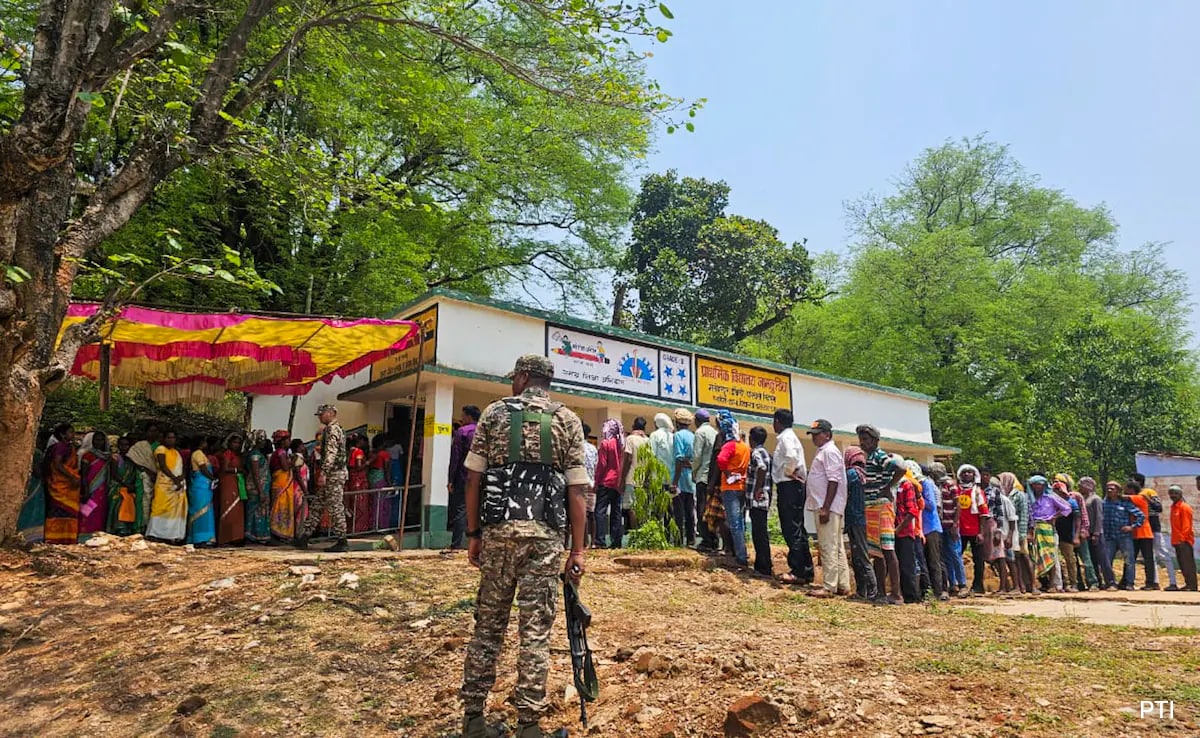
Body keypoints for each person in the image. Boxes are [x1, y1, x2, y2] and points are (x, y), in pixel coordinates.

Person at [459, 355, 588, 738]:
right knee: (534, 632)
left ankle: (473, 719)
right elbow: (577, 491)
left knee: (488, 627)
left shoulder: (493, 413)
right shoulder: (567, 420)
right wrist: (578, 551)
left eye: (514, 377)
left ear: (523, 377)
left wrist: (473, 533)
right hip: (544, 540)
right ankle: (529, 725)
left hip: (498, 535)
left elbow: (473, 480)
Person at [857, 424, 902, 605]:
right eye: (861, 440)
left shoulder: (879, 456)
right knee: (876, 551)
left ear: (875, 440)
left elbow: (900, 469)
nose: (862, 443)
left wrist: (887, 487)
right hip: (871, 507)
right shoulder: (869, 457)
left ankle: (896, 593)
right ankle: (881, 592)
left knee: (887, 549)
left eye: (866, 439)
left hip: (881, 506)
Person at [805, 420, 848, 597]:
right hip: (828, 505)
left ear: (827, 435)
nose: (814, 438)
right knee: (836, 545)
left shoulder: (829, 452)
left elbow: (833, 480)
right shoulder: (824, 451)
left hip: (827, 506)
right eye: (813, 434)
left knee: (828, 545)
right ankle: (842, 584)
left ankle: (829, 586)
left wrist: (826, 507)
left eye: (817, 434)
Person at [301, 404, 349, 552]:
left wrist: (323, 473)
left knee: (335, 507)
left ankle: (342, 540)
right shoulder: (335, 429)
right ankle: (304, 537)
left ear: (331, 413)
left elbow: (331, 453)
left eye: (322, 414)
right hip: (333, 473)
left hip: (333, 474)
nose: (320, 417)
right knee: (318, 505)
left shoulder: (332, 429)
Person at [772, 408, 812, 584]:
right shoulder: (791, 436)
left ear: (777, 422)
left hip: (789, 485)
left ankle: (798, 570)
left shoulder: (786, 438)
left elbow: (791, 457)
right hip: (794, 486)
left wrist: (789, 472)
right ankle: (806, 569)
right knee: (798, 527)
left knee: (791, 528)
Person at [715, 409, 750, 568]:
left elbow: (721, 459)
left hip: (730, 487)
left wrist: (727, 472)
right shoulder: (744, 446)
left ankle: (740, 557)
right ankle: (742, 552)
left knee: (734, 522)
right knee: (740, 521)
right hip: (742, 486)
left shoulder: (729, 445)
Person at [843, 446, 878, 601]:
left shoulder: (851, 474)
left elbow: (843, 493)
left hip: (855, 518)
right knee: (861, 554)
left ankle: (870, 591)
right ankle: (864, 591)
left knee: (860, 556)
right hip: (866, 519)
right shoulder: (866, 474)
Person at [1028, 475, 1071, 591]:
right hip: (1034, 528)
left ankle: (1053, 584)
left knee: (1050, 556)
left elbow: (1067, 508)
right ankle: (1040, 583)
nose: (1037, 487)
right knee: (1035, 556)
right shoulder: (1029, 498)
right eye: (1034, 485)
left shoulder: (1050, 497)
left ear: (1044, 486)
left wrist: (1055, 517)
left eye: (1039, 484)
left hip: (1047, 528)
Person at [1134, 473, 1177, 591]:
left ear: (1138, 481)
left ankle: (1173, 582)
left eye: (1132, 480)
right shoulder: (1133, 495)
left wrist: (1147, 499)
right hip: (1142, 530)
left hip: (1153, 527)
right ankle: (1154, 582)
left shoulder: (1149, 492)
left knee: (1163, 554)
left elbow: (1159, 508)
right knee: (1149, 557)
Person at [145, 430, 187, 544]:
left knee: (174, 510)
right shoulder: (161, 449)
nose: (171, 440)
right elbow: (163, 466)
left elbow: (182, 467)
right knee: (160, 508)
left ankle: (171, 535)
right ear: (163, 439)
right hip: (164, 483)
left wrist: (180, 478)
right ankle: (155, 534)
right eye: (169, 437)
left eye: (173, 438)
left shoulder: (176, 452)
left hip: (177, 484)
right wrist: (175, 479)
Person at [447, 408, 480, 550]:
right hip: (482, 475)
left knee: (460, 509)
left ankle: (456, 544)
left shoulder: (462, 432)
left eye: (463, 415)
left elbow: (456, 457)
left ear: (469, 417)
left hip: (464, 475)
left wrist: (451, 479)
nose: (461, 418)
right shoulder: (485, 430)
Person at [954, 465, 989, 595]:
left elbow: (983, 513)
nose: (967, 474)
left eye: (970, 472)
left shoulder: (978, 492)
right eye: (964, 472)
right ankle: (956, 584)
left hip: (975, 531)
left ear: (974, 475)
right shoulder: (956, 490)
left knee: (978, 560)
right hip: (959, 531)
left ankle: (978, 586)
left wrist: (981, 532)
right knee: (955, 557)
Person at [1103, 481, 1144, 590]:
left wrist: (1132, 527)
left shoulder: (1125, 503)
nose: (1109, 490)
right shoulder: (1104, 503)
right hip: (1109, 536)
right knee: (1107, 560)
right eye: (1108, 488)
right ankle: (1111, 583)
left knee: (1129, 560)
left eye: (1112, 488)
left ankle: (1129, 583)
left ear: (1118, 491)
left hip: (1124, 536)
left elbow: (1141, 516)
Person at [893, 456, 923, 603]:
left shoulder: (906, 484)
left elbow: (912, 511)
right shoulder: (890, 485)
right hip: (891, 530)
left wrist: (898, 529)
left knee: (907, 565)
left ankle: (911, 597)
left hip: (904, 531)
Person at [915, 463, 947, 600]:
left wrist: (918, 497)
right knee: (926, 560)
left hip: (931, 527)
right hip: (923, 528)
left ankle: (940, 590)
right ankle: (929, 591)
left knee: (935, 560)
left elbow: (931, 505)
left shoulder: (926, 484)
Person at [44, 424, 81, 545]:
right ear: (62, 434)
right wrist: (71, 477)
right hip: (60, 484)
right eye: (70, 432)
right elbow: (57, 464)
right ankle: (54, 538)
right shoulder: (60, 447)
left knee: (69, 512)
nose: (73, 434)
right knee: (58, 510)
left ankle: (67, 537)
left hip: (69, 486)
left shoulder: (70, 447)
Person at [746, 426, 774, 578]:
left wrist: (757, 489)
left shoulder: (756, 452)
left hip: (758, 499)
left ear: (752, 439)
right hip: (763, 498)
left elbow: (761, 468)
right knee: (761, 533)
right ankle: (763, 564)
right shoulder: (766, 453)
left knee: (759, 533)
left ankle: (763, 567)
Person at [593, 418, 625, 549]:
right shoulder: (621, 444)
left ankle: (600, 540)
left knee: (600, 511)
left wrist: (596, 481)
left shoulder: (605, 443)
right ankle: (616, 541)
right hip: (617, 482)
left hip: (606, 481)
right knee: (616, 512)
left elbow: (602, 464)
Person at [1000, 472, 1032, 595]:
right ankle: (1020, 585)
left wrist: (1022, 534)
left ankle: (1031, 585)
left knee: (1024, 557)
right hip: (1008, 531)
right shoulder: (1003, 494)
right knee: (1015, 559)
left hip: (1018, 531)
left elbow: (1024, 515)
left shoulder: (1020, 495)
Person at [692, 410, 719, 551]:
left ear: (697, 420)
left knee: (701, 508)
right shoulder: (715, 433)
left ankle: (706, 540)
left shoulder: (700, 433)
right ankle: (714, 538)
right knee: (712, 510)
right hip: (713, 476)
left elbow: (697, 456)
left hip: (703, 475)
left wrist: (694, 472)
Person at [270, 431, 305, 543]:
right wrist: (293, 461)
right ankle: (277, 532)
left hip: (284, 481)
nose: (289, 442)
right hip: (281, 482)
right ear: (282, 442)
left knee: (284, 506)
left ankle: (283, 533)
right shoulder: (280, 452)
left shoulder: (283, 453)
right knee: (280, 507)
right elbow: (285, 467)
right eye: (287, 440)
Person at [1080, 477, 1114, 589]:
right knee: (1092, 559)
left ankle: (1110, 582)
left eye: (1081, 485)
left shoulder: (1095, 499)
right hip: (1087, 533)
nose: (1080, 487)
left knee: (1103, 559)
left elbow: (1099, 517)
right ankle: (1097, 581)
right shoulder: (1083, 499)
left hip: (1096, 533)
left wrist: (1096, 533)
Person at [938, 469, 966, 596]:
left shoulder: (950, 485)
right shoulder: (938, 485)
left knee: (955, 554)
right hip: (941, 526)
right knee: (946, 556)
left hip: (951, 525)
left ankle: (962, 584)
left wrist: (955, 524)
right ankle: (952, 583)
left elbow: (958, 505)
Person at [78, 432, 111, 542]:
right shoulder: (88, 455)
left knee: (100, 512)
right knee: (87, 511)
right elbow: (83, 474)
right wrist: (86, 490)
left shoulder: (107, 456)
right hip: (91, 488)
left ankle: (98, 534)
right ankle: (84, 535)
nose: (98, 442)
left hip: (103, 489)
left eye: (101, 440)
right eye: (96, 440)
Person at [107, 436, 143, 537]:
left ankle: (126, 529)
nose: (124, 447)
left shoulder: (132, 459)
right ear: (118, 446)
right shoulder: (115, 458)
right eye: (122, 445)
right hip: (117, 486)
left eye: (126, 445)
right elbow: (114, 474)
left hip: (129, 487)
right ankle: (116, 528)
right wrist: (126, 485)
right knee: (117, 505)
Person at [126, 424, 161, 527]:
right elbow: (133, 458)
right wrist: (146, 470)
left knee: (154, 501)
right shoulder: (139, 446)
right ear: (146, 432)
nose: (153, 433)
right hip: (142, 476)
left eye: (155, 431)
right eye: (151, 431)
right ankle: (140, 525)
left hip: (158, 477)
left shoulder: (160, 446)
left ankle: (151, 526)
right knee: (141, 500)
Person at [1125, 480, 1158, 590]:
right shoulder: (1134, 499)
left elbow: (1123, 497)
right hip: (1135, 534)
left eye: (1127, 489)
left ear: (1132, 489)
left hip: (1144, 533)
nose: (1125, 491)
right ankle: (1126, 581)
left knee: (1147, 559)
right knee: (1131, 558)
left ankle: (1150, 582)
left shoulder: (1139, 498)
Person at [671, 409, 696, 547]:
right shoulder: (693, 436)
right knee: (689, 510)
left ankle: (678, 540)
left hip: (680, 478)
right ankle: (691, 539)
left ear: (677, 422)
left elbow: (679, 459)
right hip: (691, 478)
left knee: (678, 511)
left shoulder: (678, 436)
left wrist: (674, 482)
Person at [215, 433, 246, 546]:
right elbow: (225, 468)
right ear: (229, 443)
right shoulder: (227, 453)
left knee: (237, 509)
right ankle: (226, 537)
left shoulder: (238, 455)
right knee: (228, 507)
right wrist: (238, 470)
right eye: (234, 442)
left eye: (238, 443)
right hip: (228, 481)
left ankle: (236, 536)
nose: (236, 445)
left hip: (237, 482)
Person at [18, 431, 49, 543]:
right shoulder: (36, 453)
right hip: (35, 485)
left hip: (24, 483)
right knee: (34, 510)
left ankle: (21, 534)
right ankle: (33, 538)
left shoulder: (21, 451)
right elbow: (37, 470)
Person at [186, 436, 217, 546]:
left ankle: (204, 537)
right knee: (201, 510)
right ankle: (200, 538)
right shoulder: (198, 453)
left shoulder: (200, 454)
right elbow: (203, 468)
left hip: (204, 485)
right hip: (201, 486)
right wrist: (213, 478)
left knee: (206, 511)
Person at [621, 417, 650, 530]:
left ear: (633, 426)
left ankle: (635, 532)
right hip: (643, 479)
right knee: (641, 507)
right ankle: (641, 531)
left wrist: (622, 478)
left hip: (631, 478)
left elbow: (628, 458)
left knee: (631, 508)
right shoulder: (647, 441)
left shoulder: (630, 439)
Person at [244, 431, 273, 544]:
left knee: (262, 510)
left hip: (262, 486)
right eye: (261, 440)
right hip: (256, 487)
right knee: (255, 510)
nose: (263, 443)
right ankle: (253, 535)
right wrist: (260, 491)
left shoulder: (259, 454)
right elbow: (255, 474)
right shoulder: (255, 455)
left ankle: (261, 535)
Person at [1168, 485, 1197, 591]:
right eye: (1171, 493)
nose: (1173, 495)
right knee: (1182, 564)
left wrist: (1182, 539)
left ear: (1180, 494)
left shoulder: (1184, 507)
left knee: (1188, 564)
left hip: (1184, 541)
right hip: (1176, 540)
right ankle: (1188, 584)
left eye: (1175, 493)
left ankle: (1192, 585)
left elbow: (1187, 526)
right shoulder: (1173, 507)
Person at [369, 433, 395, 534]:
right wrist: (390, 483)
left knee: (374, 503)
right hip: (381, 480)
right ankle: (381, 526)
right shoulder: (384, 454)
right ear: (384, 443)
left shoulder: (372, 453)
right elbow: (387, 470)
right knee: (383, 504)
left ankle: (373, 525)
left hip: (372, 479)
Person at [345, 434, 371, 533]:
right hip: (359, 481)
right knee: (360, 504)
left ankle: (351, 528)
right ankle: (359, 528)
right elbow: (359, 466)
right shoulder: (359, 451)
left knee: (352, 504)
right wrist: (368, 462)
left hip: (352, 480)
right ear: (359, 441)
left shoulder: (350, 451)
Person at [581, 423, 598, 547]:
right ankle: (593, 542)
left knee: (583, 513)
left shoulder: (577, 447)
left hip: (580, 482)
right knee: (592, 514)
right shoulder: (593, 448)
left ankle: (585, 542)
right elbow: (597, 466)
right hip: (592, 482)